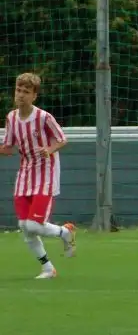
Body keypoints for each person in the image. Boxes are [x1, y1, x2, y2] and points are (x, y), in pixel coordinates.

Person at [1, 73, 76, 279]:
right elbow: (8, 148)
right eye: (18, 90)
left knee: (34, 225)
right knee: (25, 227)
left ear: (34, 96)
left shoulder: (44, 118)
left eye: (26, 92)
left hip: (46, 173)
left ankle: (65, 232)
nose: (21, 95)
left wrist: (49, 149)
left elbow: (61, 140)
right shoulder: (11, 118)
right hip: (25, 173)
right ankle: (48, 269)